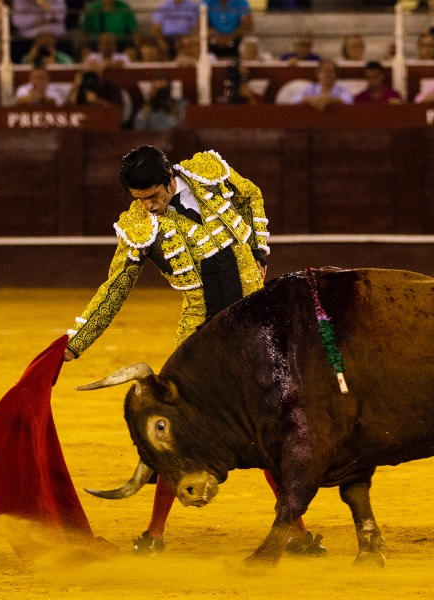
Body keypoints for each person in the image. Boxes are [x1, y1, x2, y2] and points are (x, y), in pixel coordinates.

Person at [63, 146, 325, 557]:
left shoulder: (206, 172)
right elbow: (115, 287)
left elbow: (251, 195)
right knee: (177, 430)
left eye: (153, 195)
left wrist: (259, 252)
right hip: (199, 337)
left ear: (170, 179)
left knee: (269, 426)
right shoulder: (139, 226)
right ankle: (154, 533)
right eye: (139, 199)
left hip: (254, 321)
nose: (148, 206)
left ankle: (296, 531)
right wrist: (76, 343)